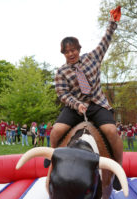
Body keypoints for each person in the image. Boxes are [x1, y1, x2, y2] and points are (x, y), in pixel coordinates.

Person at [51, 10, 123, 165]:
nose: (71, 54)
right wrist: (77, 104)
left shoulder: (92, 58)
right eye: (67, 52)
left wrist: (112, 23)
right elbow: (63, 94)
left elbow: (105, 42)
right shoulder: (61, 72)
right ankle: (52, 157)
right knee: (56, 131)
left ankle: (118, 165)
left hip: (97, 104)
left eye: (73, 50)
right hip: (75, 107)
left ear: (79, 49)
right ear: (63, 53)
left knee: (111, 131)